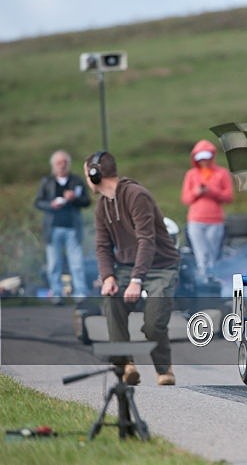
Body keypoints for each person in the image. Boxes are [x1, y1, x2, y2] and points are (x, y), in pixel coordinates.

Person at [84, 151, 180, 386]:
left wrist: (137, 279)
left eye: (87, 174)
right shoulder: (102, 206)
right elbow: (102, 245)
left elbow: (146, 240)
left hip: (160, 266)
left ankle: (164, 369)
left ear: (95, 175)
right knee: (111, 299)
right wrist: (108, 276)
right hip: (127, 265)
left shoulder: (136, 196)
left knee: (154, 324)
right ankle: (125, 363)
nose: (86, 179)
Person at [34, 150, 91, 303]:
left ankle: (80, 293)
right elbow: (38, 202)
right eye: (59, 163)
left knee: (77, 263)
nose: (62, 166)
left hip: (73, 227)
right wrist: (51, 205)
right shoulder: (47, 182)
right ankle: (57, 294)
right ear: (53, 165)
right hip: (53, 228)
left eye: (64, 162)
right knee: (54, 264)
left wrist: (74, 198)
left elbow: (86, 201)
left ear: (68, 164)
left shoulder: (76, 181)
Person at [181, 140, 233, 279]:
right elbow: (186, 198)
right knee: (201, 253)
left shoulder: (222, 173)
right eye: (201, 158)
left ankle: (213, 279)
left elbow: (228, 196)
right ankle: (203, 279)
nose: (204, 161)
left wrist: (211, 191)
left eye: (206, 157)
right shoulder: (191, 174)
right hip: (196, 220)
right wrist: (196, 192)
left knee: (212, 253)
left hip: (215, 220)